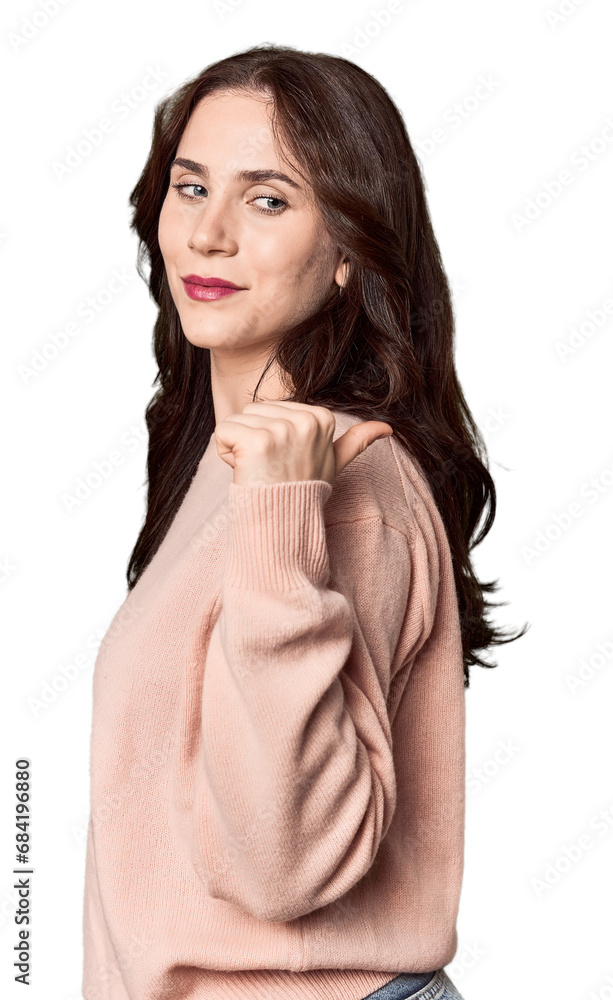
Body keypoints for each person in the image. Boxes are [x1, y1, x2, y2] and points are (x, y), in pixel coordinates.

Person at [82, 43, 527, 1000]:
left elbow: (283, 866)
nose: (208, 235)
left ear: (344, 257)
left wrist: (284, 522)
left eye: (268, 199)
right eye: (190, 187)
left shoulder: (342, 488)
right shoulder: (224, 459)